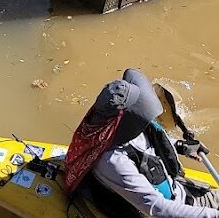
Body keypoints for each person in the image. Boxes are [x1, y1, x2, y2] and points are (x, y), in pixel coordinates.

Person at [65, 68, 217, 217]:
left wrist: (180, 146)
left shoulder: (120, 128)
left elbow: (145, 145)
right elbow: (156, 207)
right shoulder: (113, 162)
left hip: (182, 191)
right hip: (169, 209)